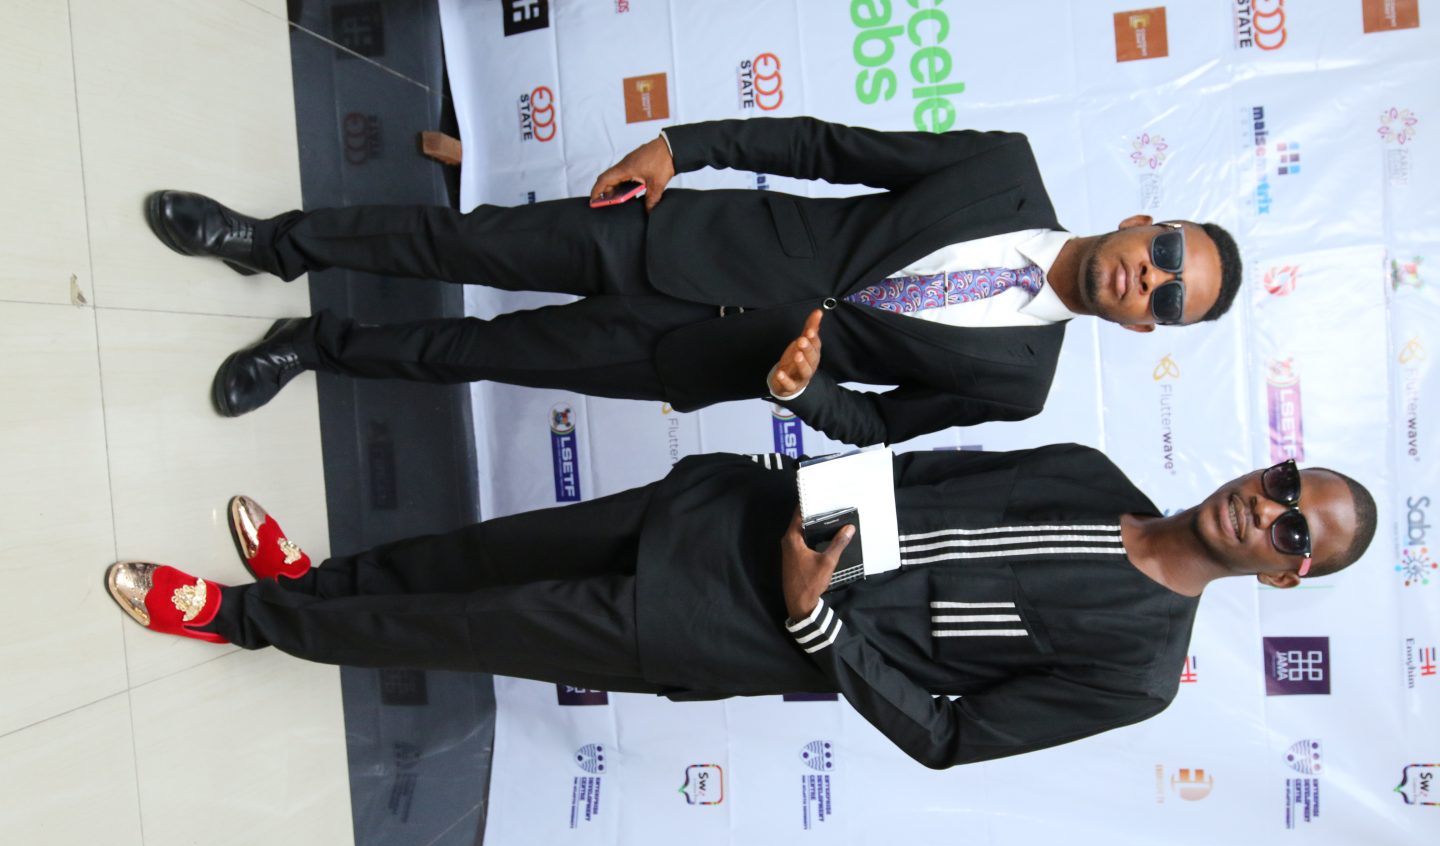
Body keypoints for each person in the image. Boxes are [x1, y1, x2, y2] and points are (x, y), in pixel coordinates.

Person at [105, 445, 1373, 769]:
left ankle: (240, 619)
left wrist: (821, 627)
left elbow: (950, 733)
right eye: (1283, 483)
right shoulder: (1095, 475)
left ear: (1286, 574)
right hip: (724, 515)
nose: (1264, 509)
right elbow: (914, 477)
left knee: (461, 625)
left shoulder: (1139, 673)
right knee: (470, 557)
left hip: (728, 627)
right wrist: (784, 484)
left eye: (1291, 529)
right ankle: (307, 586)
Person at [147, 116, 1243, 445]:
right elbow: (825, 149)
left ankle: (312, 350)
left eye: (1166, 297)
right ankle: (271, 242)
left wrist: (800, 388)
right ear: (1142, 222)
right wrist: (684, 147)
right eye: (1163, 254)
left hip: (690, 356)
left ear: (1147, 329)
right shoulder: (1002, 167)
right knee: (463, 244)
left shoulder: (1020, 387)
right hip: (676, 237)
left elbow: (872, 425)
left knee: (473, 354)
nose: (1142, 279)